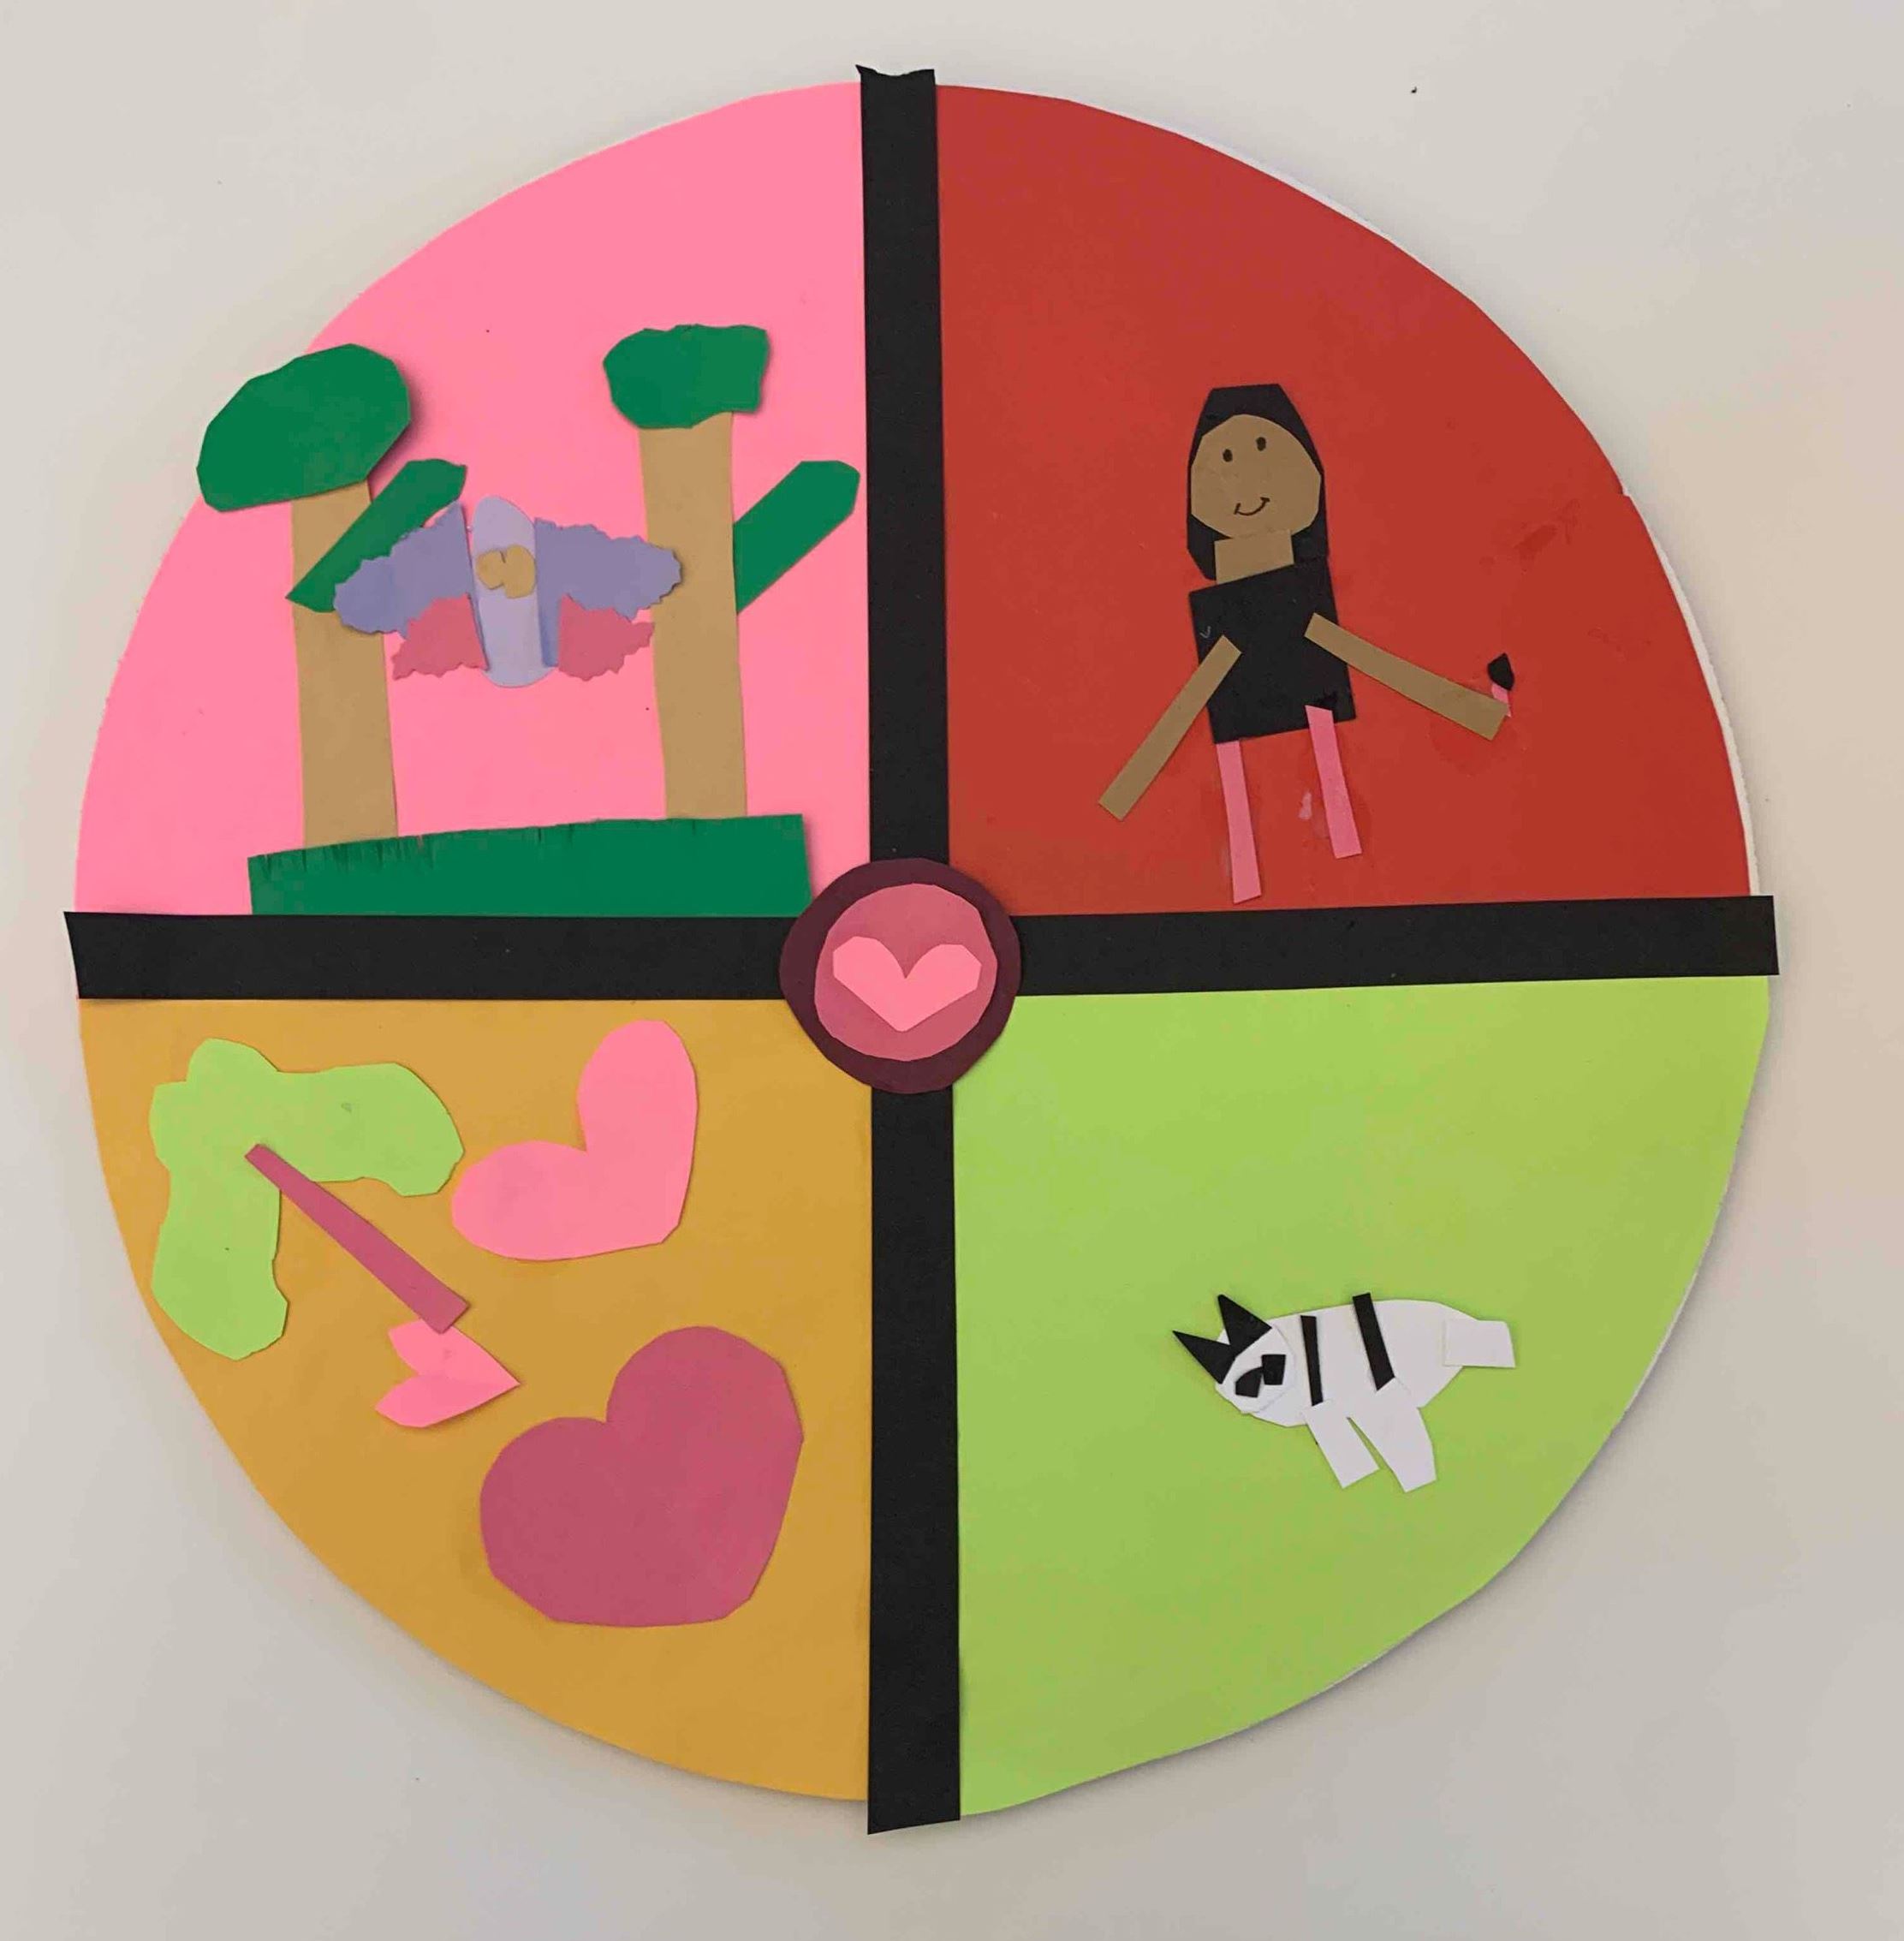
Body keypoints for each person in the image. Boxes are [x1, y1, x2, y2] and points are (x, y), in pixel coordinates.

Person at [1099, 384, 1508, 901]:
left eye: (1263, 447)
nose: (1248, 478)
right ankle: (1253, 869)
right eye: (1226, 459)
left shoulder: (1301, 592)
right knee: (1241, 782)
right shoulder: (1231, 609)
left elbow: (1343, 648)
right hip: (1248, 702)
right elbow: (1214, 676)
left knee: (1321, 757)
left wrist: (1463, 707)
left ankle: (1328, 847)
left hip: (1311, 696)